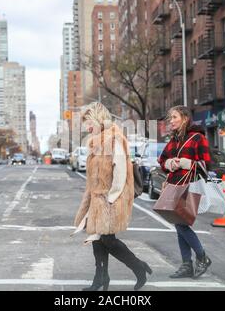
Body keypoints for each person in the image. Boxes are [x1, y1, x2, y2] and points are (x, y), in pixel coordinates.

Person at [73, 102, 152, 291]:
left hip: (109, 199)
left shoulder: (114, 139)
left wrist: (111, 199)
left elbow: (121, 171)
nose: (87, 126)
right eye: (84, 123)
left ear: (99, 118)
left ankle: (138, 267)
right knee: (97, 238)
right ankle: (101, 278)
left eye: (88, 121)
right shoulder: (96, 142)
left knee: (108, 240)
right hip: (97, 198)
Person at [158, 106, 212, 279]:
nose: (171, 121)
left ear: (185, 118)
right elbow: (162, 160)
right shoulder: (174, 140)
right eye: (170, 118)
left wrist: (184, 163)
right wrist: (170, 164)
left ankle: (201, 257)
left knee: (181, 224)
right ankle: (187, 265)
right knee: (179, 224)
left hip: (189, 186)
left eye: (174, 117)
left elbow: (206, 166)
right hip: (174, 186)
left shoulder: (198, 138)